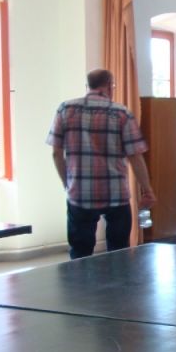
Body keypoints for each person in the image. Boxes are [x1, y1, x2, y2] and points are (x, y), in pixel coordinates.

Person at [46, 68, 156, 259]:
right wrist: (147, 190)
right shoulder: (122, 113)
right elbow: (135, 156)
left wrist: (67, 184)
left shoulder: (65, 109)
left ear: (87, 86)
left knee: (80, 254)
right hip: (116, 194)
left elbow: (56, 153)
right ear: (110, 86)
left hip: (79, 193)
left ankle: (80, 278)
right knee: (119, 253)